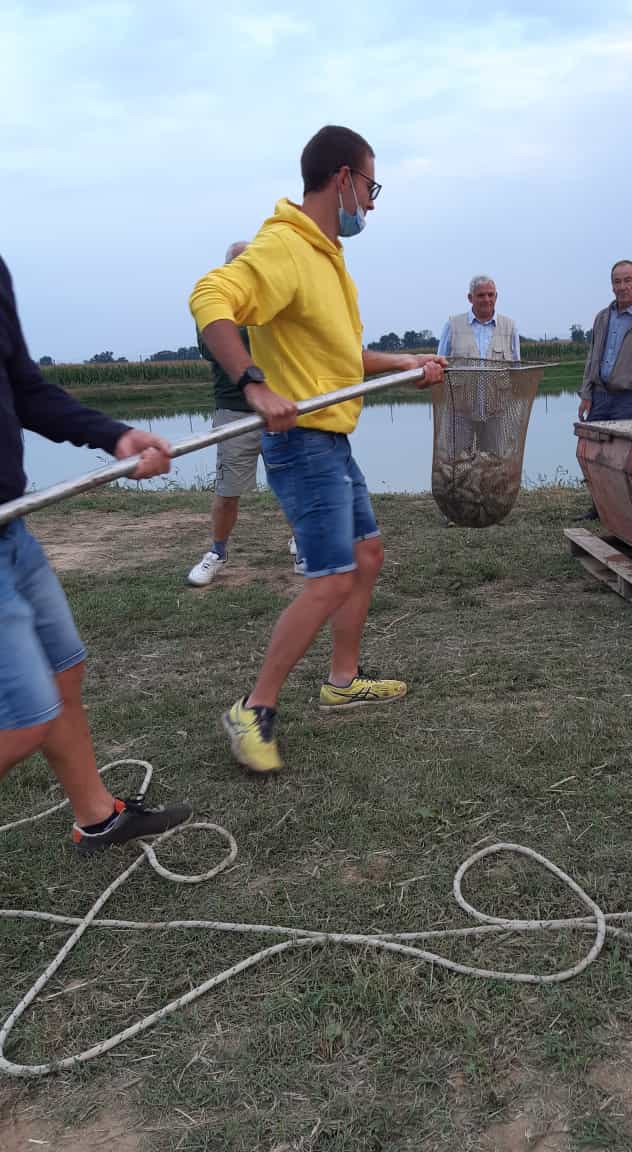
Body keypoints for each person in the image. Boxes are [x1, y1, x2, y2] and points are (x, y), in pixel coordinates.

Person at [189, 125, 445, 774]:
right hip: (301, 443)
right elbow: (210, 297)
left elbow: (342, 356)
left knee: (366, 554)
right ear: (343, 179)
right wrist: (253, 384)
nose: (372, 205)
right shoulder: (285, 245)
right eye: (371, 188)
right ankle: (254, 707)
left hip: (331, 437)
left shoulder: (327, 255)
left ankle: (342, 681)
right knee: (330, 576)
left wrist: (404, 364)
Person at [0, 255, 192, 854]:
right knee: (22, 719)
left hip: (10, 526)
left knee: (64, 669)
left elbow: (26, 390)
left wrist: (115, 435)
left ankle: (98, 818)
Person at [187, 242, 304, 586]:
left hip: (279, 411)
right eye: (240, 265)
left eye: (253, 264)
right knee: (228, 491)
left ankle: (302, 545)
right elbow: (214, 346)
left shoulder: (276, 297)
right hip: (233, 414)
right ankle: (217, 553)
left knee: (292, 486)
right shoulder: (214, 302)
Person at [577, 259, 632, 520]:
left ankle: (626, 510)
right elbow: (592, 358)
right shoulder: (602, 318)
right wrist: (586, 394)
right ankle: (599, 506)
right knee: (592, 452)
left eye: (628, 280)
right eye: (618, 281)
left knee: (624, 458)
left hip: (629, 399)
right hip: (601, 396)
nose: (623, 286)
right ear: (612, 286)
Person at [437, 276, 519, 457]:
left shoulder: (510, 327)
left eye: (490, 295)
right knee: (458, 462)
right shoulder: (452, 325)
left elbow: (516, 371)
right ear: (470, 298)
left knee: (495, 462)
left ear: (496, 296)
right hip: (459, 413)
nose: (486, 300)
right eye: (481, 295)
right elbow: (439, 366)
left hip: (497, 413)